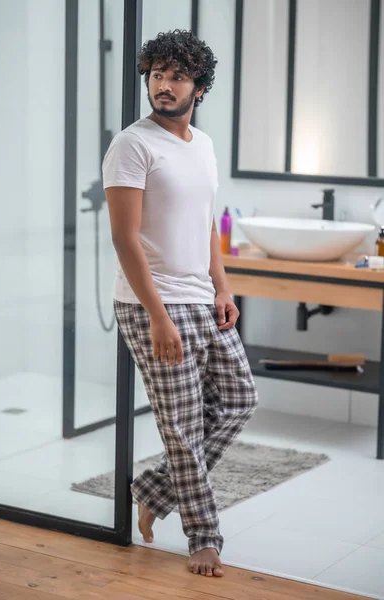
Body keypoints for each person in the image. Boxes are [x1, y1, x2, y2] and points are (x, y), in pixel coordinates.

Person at [103, 29, 258, 578]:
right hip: (154, 304)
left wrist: (222, 286)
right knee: (183, 427)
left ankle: (151, 489)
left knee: (240, 399)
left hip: (200, 297)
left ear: (200, 87)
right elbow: (125, 240)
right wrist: (159, 318)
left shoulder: (204, 145)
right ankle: (203, 538)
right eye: (156, 74)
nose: (163, 86)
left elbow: (204, 229)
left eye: (176, 76)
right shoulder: (132, 144)